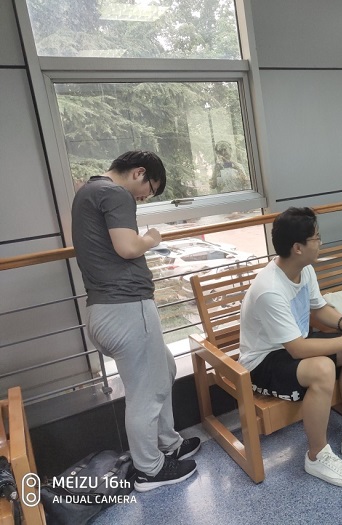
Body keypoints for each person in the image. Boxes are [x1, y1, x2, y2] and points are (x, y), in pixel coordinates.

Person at [238, 207, 342, 487]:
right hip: (263, 361)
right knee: (324, 367)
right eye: (316, 238)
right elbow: (297, 349)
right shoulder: (269, 289)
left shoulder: (304, 270)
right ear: (298, 247)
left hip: (293, 344)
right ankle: (316, 455)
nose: (320, 242)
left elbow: (319, 307)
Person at [71, 151, 201, 493]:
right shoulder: (115, 193)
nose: (144, 198)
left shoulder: (87, 192)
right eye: (149, 189)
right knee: (146, 393)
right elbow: (128, 248)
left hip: (104, 311)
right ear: (138, 172)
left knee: (165, 369)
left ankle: (168, 443)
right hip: (126, 309)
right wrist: (152, 239)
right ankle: (149, 470)